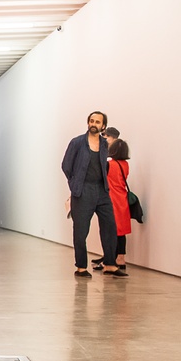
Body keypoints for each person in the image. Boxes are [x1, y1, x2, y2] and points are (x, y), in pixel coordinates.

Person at [61, 111, 120, 278]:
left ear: (103, 126)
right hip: (83, 190)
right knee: (81, 230)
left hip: (101, 190)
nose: (94, 124)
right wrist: (75, 184)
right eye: (91, 121)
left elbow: (104, 166)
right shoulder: (77, 142)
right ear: (88, 123)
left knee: (110, 226)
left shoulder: (104, 144)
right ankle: (81, 267)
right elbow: (66, 165)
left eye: (97, 122)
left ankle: (110, 264)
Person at [101, 138, 132, 274]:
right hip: (122, 198)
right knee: (121, 231)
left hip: (111, 199)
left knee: (111, 230)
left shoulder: (110, 165)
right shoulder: (125, 164)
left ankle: (110, 259)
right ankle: (121, 258)